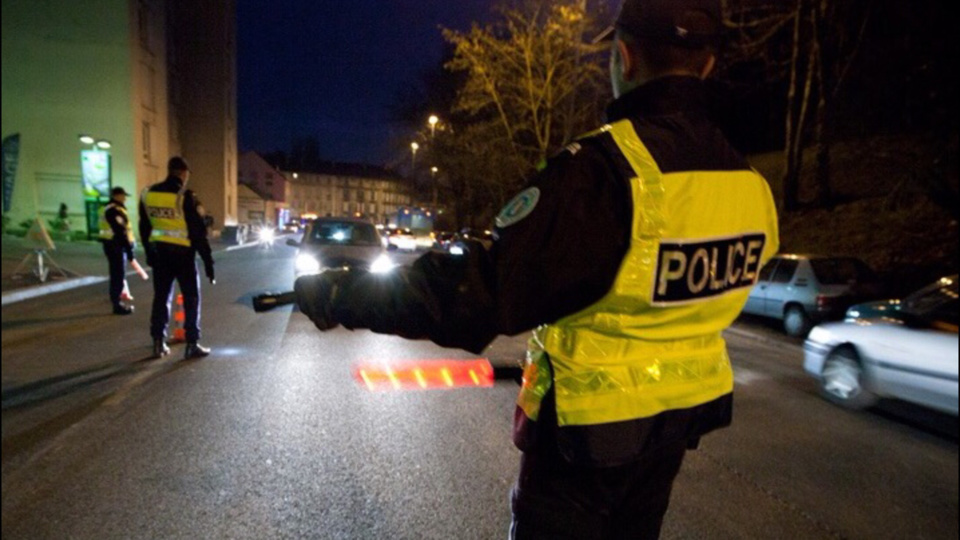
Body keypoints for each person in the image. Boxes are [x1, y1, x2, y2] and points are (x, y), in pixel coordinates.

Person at [295, 0, 780, 537]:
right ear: (708, 66)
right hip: (673, 430)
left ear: (623, 56)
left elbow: (480, 293)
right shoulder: (750, 185)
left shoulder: (602, 174)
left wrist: (341, 294)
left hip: (582, 444)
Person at [139, 157, 216, 360]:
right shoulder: (185, 197)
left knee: (161, 298)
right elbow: (198, 233)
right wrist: (208, 263)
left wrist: (149, 252)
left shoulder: (149, 194)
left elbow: (144, 226)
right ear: (183, 173)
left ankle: (158, 342)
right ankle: (192, 343)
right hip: (183, 257)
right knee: (191, 298)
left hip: (160, 255)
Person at [98, 187, 136, 315]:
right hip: (116, 246)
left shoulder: (107, 208)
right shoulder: (114, 210)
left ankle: (116, 302)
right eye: (123, 196)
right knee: (118, 276)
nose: (125, 198)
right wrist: (129, 249)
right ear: (116, 196)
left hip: (111, 244)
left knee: (116, 274)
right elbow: (121, 231)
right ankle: (117, 305)